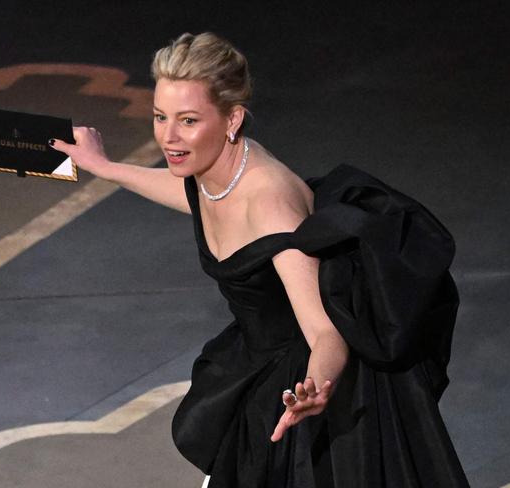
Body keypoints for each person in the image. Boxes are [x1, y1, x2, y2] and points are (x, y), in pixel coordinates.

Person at [49, 32, 470, 488]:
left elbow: (325, 332)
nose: (169, 137)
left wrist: (315, 388)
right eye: (160, 116)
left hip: (300, 382)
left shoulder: (270, 206)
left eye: (188, 120)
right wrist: (107, 167)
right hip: (261, 364)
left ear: (232, 119)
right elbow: (199, 197)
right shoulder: (214, 167)